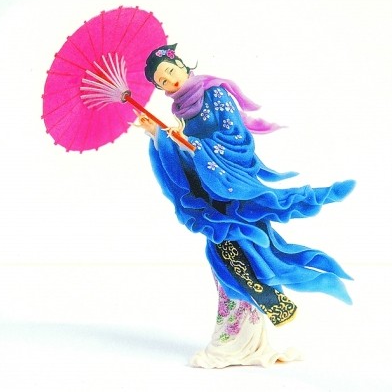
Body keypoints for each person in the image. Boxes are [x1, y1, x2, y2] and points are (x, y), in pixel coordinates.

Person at [137, 43, 355, 368]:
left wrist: (193, 143)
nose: (170, 81)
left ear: (181, 64)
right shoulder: (181, 112)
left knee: (241, 254)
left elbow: (236, 138)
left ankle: (238, 342)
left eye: (169, 71)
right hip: (213, 198)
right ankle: (242, 340)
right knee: (225, 262)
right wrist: (159, 136)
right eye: (162, 82)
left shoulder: (215, 93)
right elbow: (186, 161)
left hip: (235, 192)